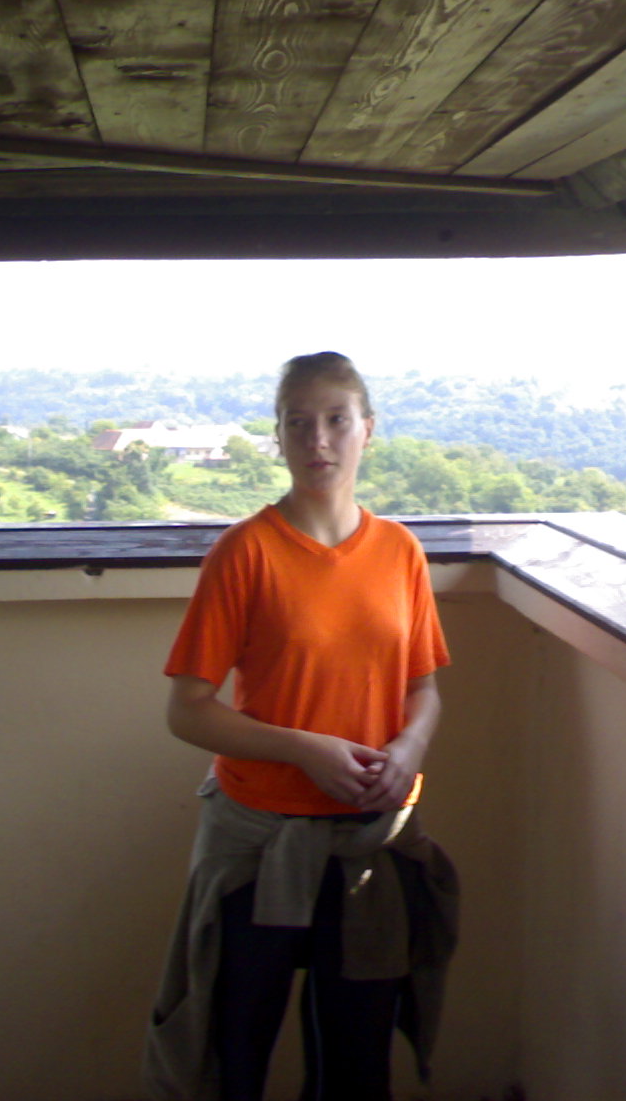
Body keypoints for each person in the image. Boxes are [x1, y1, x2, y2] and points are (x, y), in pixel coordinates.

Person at [144, 352, 457, 1101]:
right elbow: (187, 708)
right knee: (232, 1050)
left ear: (367, 430)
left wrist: (409, 747)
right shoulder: (245, 552)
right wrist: (302, 750)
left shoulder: (399, 552)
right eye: (298, 423)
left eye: (336, 421)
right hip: (259, 839)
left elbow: (423, 688)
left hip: (366, 842)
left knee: (355, 1059)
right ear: (279, 436)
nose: (318, 440)